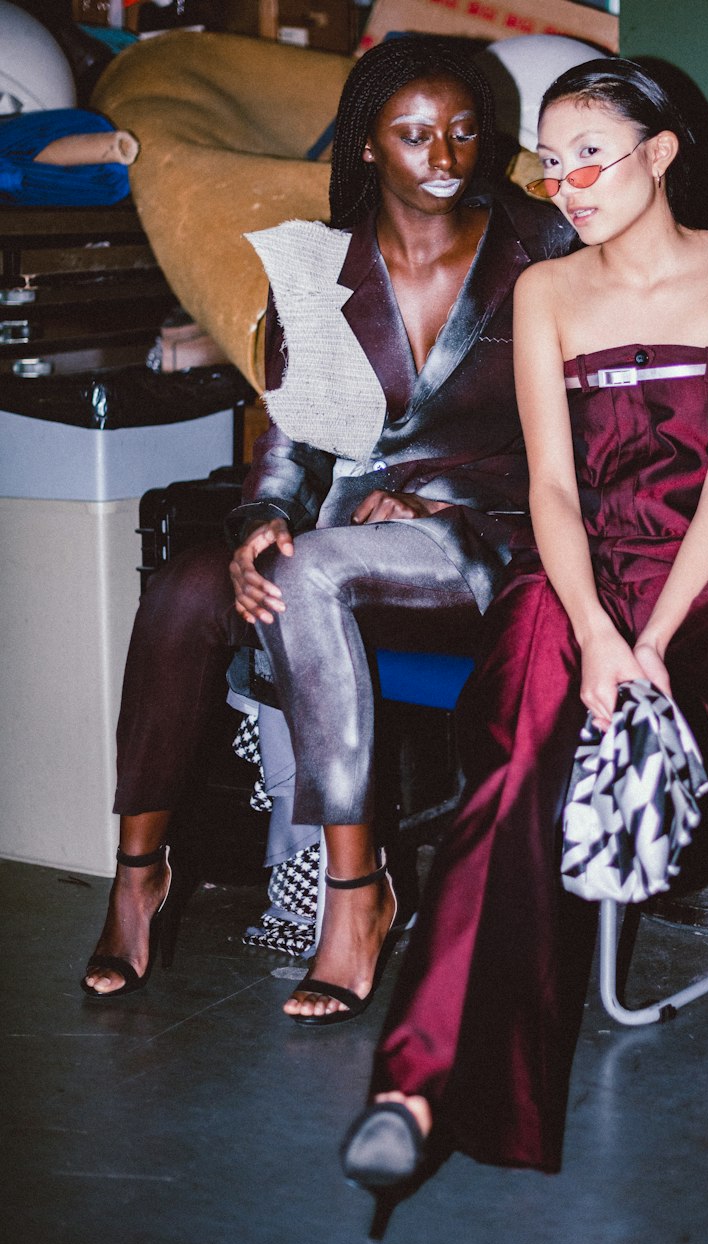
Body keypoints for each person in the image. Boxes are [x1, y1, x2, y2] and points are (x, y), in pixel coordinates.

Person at [339, 58, 708, 1187]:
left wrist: (657, 641)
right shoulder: (548, 291)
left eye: (591, 154)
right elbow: (550, 487)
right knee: (513, 756)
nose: (567, 183)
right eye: (549, 162)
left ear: (662, 151)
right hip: (575, 569)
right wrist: (600, 631)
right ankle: (415, 1082)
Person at [80, 36, 575, 1015]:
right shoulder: (315, 267)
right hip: (339, 552)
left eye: (464, 131)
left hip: (489, 548)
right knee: (187, 585)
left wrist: (445, 503)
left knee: (321, 570)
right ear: (365, 147)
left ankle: (359, 893)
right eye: (415, 133)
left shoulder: (543, 246)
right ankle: (138, 871)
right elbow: (294, 445)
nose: (444, 154)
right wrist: (262, 522)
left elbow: (591, 439)